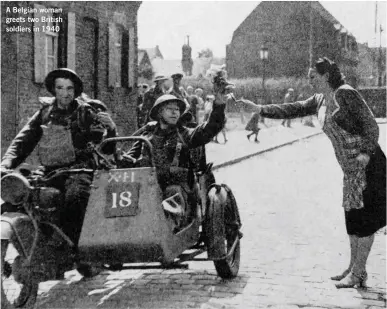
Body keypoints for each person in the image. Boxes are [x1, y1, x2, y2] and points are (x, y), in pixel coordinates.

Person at [238, 57, 386, 289]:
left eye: (313, 77)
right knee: (352, 218)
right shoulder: (319, 100)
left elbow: (371, 125)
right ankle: (353, 267)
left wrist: (366, 153)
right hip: (350, 169)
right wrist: (260, 109)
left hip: (369, 165)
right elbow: (294, 108)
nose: (309, 81)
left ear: (326, 75)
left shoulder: (345, 93)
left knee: (364, 220)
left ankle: (358, 273)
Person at [0, 68, 117, 247]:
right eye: (60, 88)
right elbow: (22, 141)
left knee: (76, 195)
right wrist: (6, 163)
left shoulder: (86, 113)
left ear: (75, 91)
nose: (65, 93)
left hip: (80, 170)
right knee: (20, 197)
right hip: (50, 171)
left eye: (69, 89)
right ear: (54, 89)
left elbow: (106, 147)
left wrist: (111, 129)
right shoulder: (44, 114)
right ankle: (34, 242)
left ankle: (75, 247)